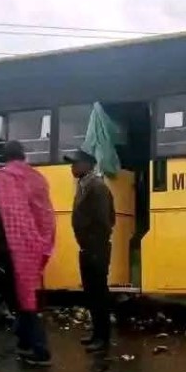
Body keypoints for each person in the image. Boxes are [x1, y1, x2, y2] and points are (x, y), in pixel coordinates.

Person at [0, 141, 56, 366]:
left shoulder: (4, 177)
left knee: (23, 300)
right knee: (24, 296)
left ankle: (40, 351)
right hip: (34, 245)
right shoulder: (37, 177)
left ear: (5, 157)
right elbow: (45, 215)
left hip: (13, 248)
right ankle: (24, 343)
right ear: (23, 156)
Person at [64, 149, 115, 355]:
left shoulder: (97, 187)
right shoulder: (85, 185)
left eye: (75, 163)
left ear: (87, 165)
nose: (72, 167)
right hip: (87, 248)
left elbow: (105, 220)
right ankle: (96, 334)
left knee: (99, 294)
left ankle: (103, 338)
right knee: (91, 295)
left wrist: (95, 245)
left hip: (96, 249)